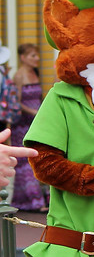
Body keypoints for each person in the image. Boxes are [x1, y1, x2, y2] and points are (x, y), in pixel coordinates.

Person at [11, 43, 48, 211]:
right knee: (25, 159)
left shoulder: (35, 73)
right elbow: (16, 102)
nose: (37, 59)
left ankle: (38, 199)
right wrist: (33, 111)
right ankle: (33, 201)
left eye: (37, 55)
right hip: (23, 123)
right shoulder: (19, 76)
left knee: (38, 154)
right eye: (33, 56)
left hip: (37, 120)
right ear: (23, 57)